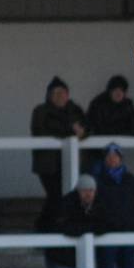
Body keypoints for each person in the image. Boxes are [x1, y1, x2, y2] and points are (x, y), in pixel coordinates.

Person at [31, 76, 87, 231]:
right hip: (48, 164)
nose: (60, 96)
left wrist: (82, 133)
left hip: (70, 162)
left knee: (66, 198)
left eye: (63, 93)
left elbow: (87, 128)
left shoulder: (75, 110)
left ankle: (56, 229)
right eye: (56, 93)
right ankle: (44, 229)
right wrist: (70, 131)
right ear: (49, 95)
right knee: (55, 197)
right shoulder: (41, 111)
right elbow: (41, 131)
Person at [43, 174, 108, 268]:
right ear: (78, 191)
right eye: (84, 190)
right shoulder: (65, 204)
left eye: (91, 190)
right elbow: (64, 227)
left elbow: (107, 224)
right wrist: (89, 228)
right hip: (60, 258)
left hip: (80, 259)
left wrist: (85, 228)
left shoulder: (99, 204)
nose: (88, 194)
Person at [95, 143, 134, 268]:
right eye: (108, 156)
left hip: (128, 235)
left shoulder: (131, 182)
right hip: (107, 235)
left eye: (115, 156)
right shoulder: (98, 182)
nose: (112, 159)